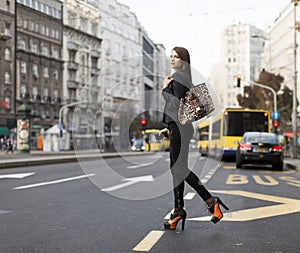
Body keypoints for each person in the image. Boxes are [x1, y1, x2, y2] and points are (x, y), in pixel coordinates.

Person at [160, 47, 229, 230]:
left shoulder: (180, 77)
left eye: (176, 57)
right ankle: (178, 211)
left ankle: (210, 200)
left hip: (181, 129)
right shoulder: (180, 77)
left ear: (184, 60)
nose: (172, 59)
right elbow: (179, 107)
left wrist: (165, 88)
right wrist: (169, 128)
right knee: (176, 170)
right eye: (171, 56)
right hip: (178, 127)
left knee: (179, 169)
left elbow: (174, 102)